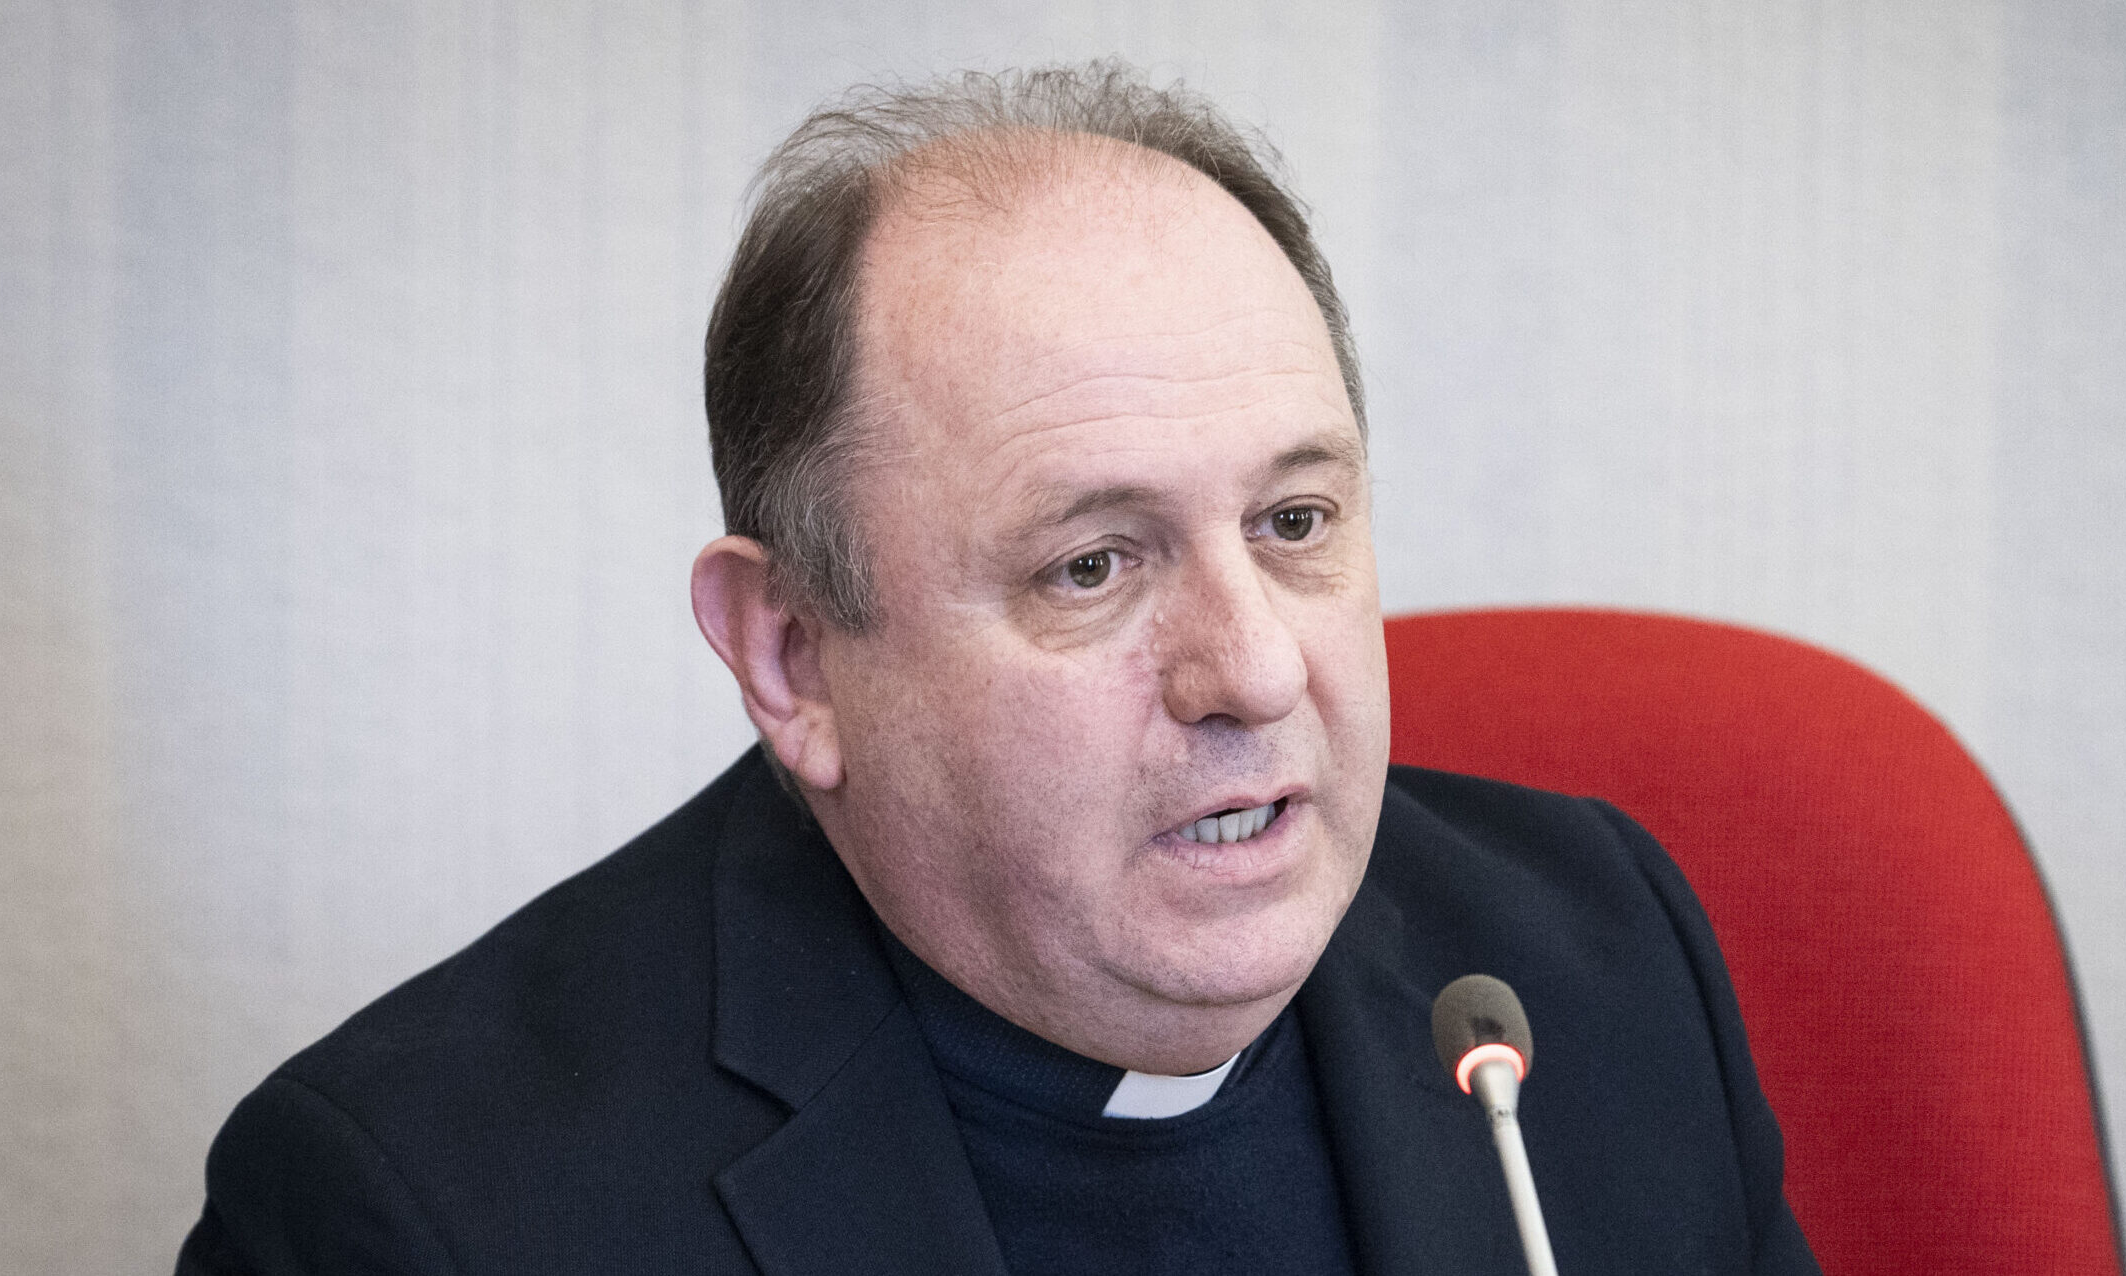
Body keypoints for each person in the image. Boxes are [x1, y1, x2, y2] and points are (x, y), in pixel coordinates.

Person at [178, 61, 1819, 1276]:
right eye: (1091, 564)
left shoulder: (1594, 955)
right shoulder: (424, 1207)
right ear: (792, 656)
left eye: (1295, 520)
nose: (1253, 670)